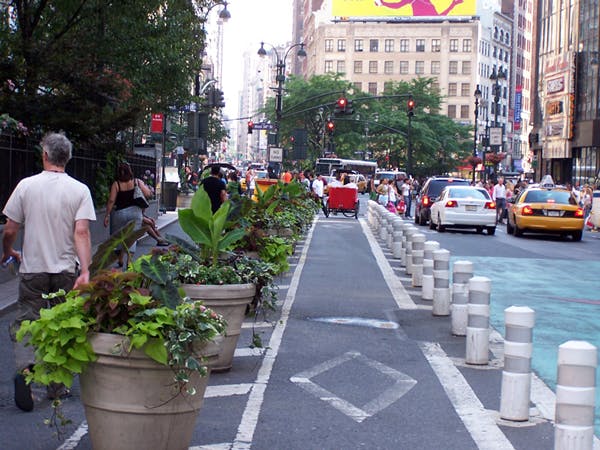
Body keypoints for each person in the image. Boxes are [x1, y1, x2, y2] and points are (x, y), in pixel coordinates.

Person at [2, 132, 96, 412]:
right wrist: (85, 270)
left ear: (45, 155)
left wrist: (8, 251)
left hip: (32, 271)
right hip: (66, 270)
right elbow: (82, 231)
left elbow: (10, 228)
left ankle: (25, 370)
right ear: (67, 157)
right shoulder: (80, 190)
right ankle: (58, 386)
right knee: (61, 325)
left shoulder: (26, 186)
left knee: (27, 321)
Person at [104, 162, 153, 268]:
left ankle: (120, 259)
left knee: (120, 236)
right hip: (135, 212)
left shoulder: (116, 184)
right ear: (130, 171)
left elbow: (111, 200)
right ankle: (129, 261)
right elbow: (148, 194)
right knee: (132, 237)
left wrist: (107, 215)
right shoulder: (136, 181)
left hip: (119, 214)